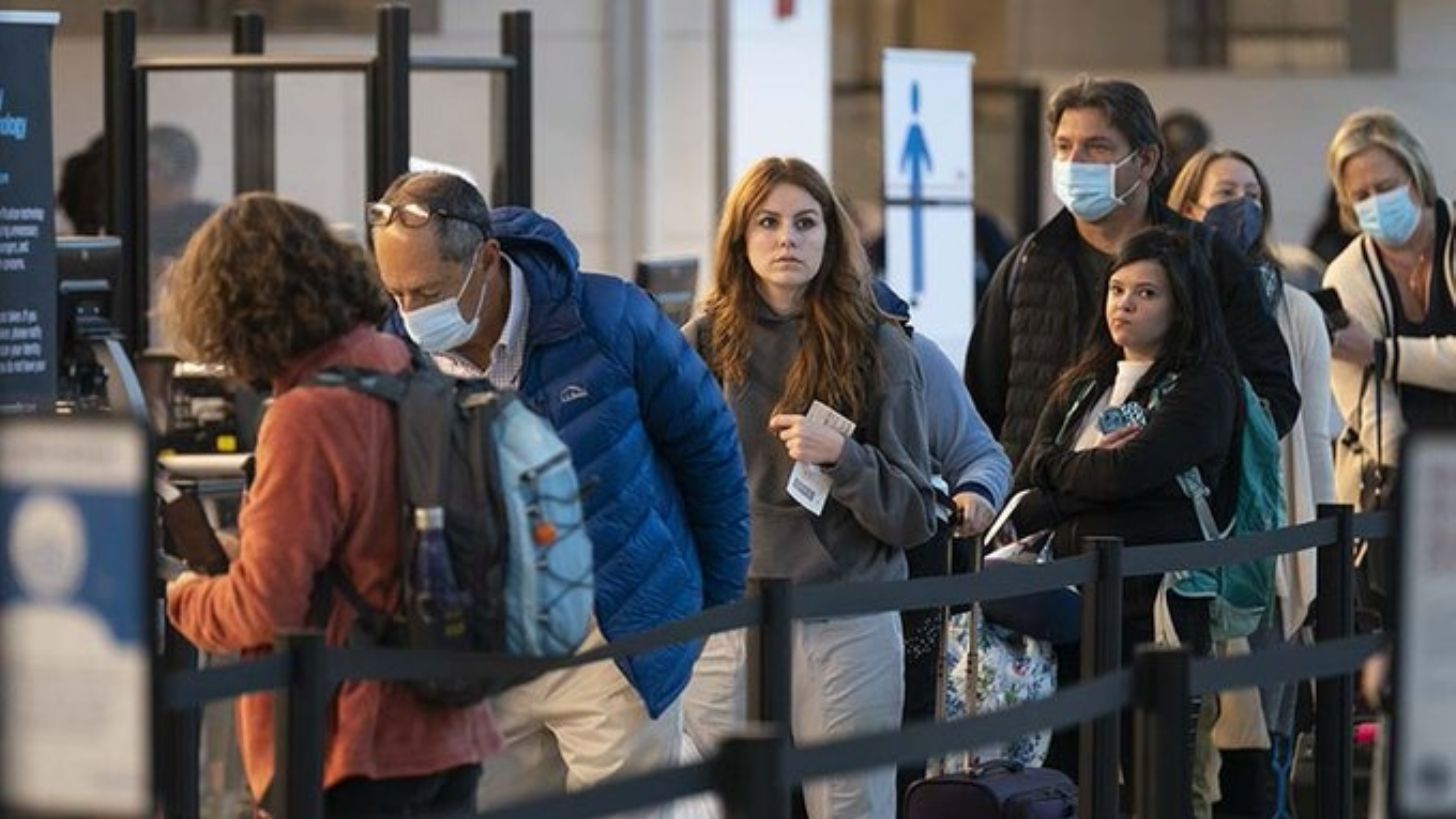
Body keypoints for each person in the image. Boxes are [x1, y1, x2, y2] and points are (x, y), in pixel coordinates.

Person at [366, 171, 750, 815]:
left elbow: (709, 453)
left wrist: (711, 606)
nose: (410, 312)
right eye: (396, 292)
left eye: (427, 292)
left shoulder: (609, 318)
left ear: (487, 260)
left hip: (614, 634)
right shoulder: (395, 354)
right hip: (485, 646)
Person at [161, 193, 500, 818]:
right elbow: (368, 546)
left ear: (234, 313)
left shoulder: (306, 416)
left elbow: (266, 609)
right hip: (449, 727)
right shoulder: (402, 365)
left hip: (355, 744)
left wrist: (182, 597)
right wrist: (246, 555)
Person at [682, 156, 937, 819]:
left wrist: (845, 459)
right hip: (726, 612)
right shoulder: (702, 341)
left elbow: (914, 514)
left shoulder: (879, 345)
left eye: (805, 222)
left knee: (850, 805)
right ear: (741, 238)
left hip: (845, 610)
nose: (786, 239)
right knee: (714, 805)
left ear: (830, 234)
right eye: (767, 223)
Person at [1011, 226, 1240, 818]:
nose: (1126, 304)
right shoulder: (1084, 382)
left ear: (1181, 305)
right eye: (1117, 290)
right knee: (1065, 780)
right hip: (1066, 611)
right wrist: (1082, 471)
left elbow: (1124, 476)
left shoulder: (1203, 387)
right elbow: (1029, 486)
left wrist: (1067, 472)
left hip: (1154, 611)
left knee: (1155, 788)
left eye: (1147, 293)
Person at [962, 76, 1298, 470]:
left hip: (1168, 499)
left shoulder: (1205, 259)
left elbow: (1271, 395)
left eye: (1097, 147)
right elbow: (980, 409)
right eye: (1064, 146)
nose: (1074, 162)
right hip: (1041, 499)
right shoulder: (1027, 265)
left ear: (1146, 161)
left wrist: (1178, 451)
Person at [1169, 147, 1336, 818]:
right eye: (1224, 193)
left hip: (1267, 536)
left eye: (1252, 193)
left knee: (1262, 731)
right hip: (1182, 533)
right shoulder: (1162, 294)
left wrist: (1315, 550)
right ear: (1187, 207)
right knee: (1186, 732)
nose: (1241, 206)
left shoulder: (1294, 309)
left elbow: (1313, 437)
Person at [872, 279, 1012, 809]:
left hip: (907, 571)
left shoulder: (905, 349)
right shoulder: (733, 343)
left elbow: (980, 454)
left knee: (901, 728)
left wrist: (975, 493)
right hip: (780, 586)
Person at [1323, 109, 1456, 616]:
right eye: (1361, 195)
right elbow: (1370, 409)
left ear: (1416, 177)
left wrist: (1383, 353)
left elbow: (1369, 359)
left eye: (1385, 186)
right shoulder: (1347, 275)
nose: (1375, 202)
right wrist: (1423, 485)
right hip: (1402, 480)